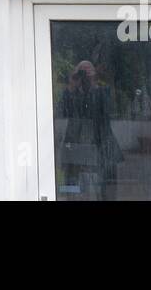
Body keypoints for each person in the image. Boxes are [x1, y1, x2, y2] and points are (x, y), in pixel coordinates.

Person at [55, 60, 122, 199]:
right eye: (81, 73)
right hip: (76, 147)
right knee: (73, 187)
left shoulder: (103, 91)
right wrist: (72, 85)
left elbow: (109, 112)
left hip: (102, 147)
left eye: (87, 73)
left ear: (94, 75)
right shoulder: (71, 94)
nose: (84, 77)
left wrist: (94, 85)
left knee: (106, 189)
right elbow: (60, 112)